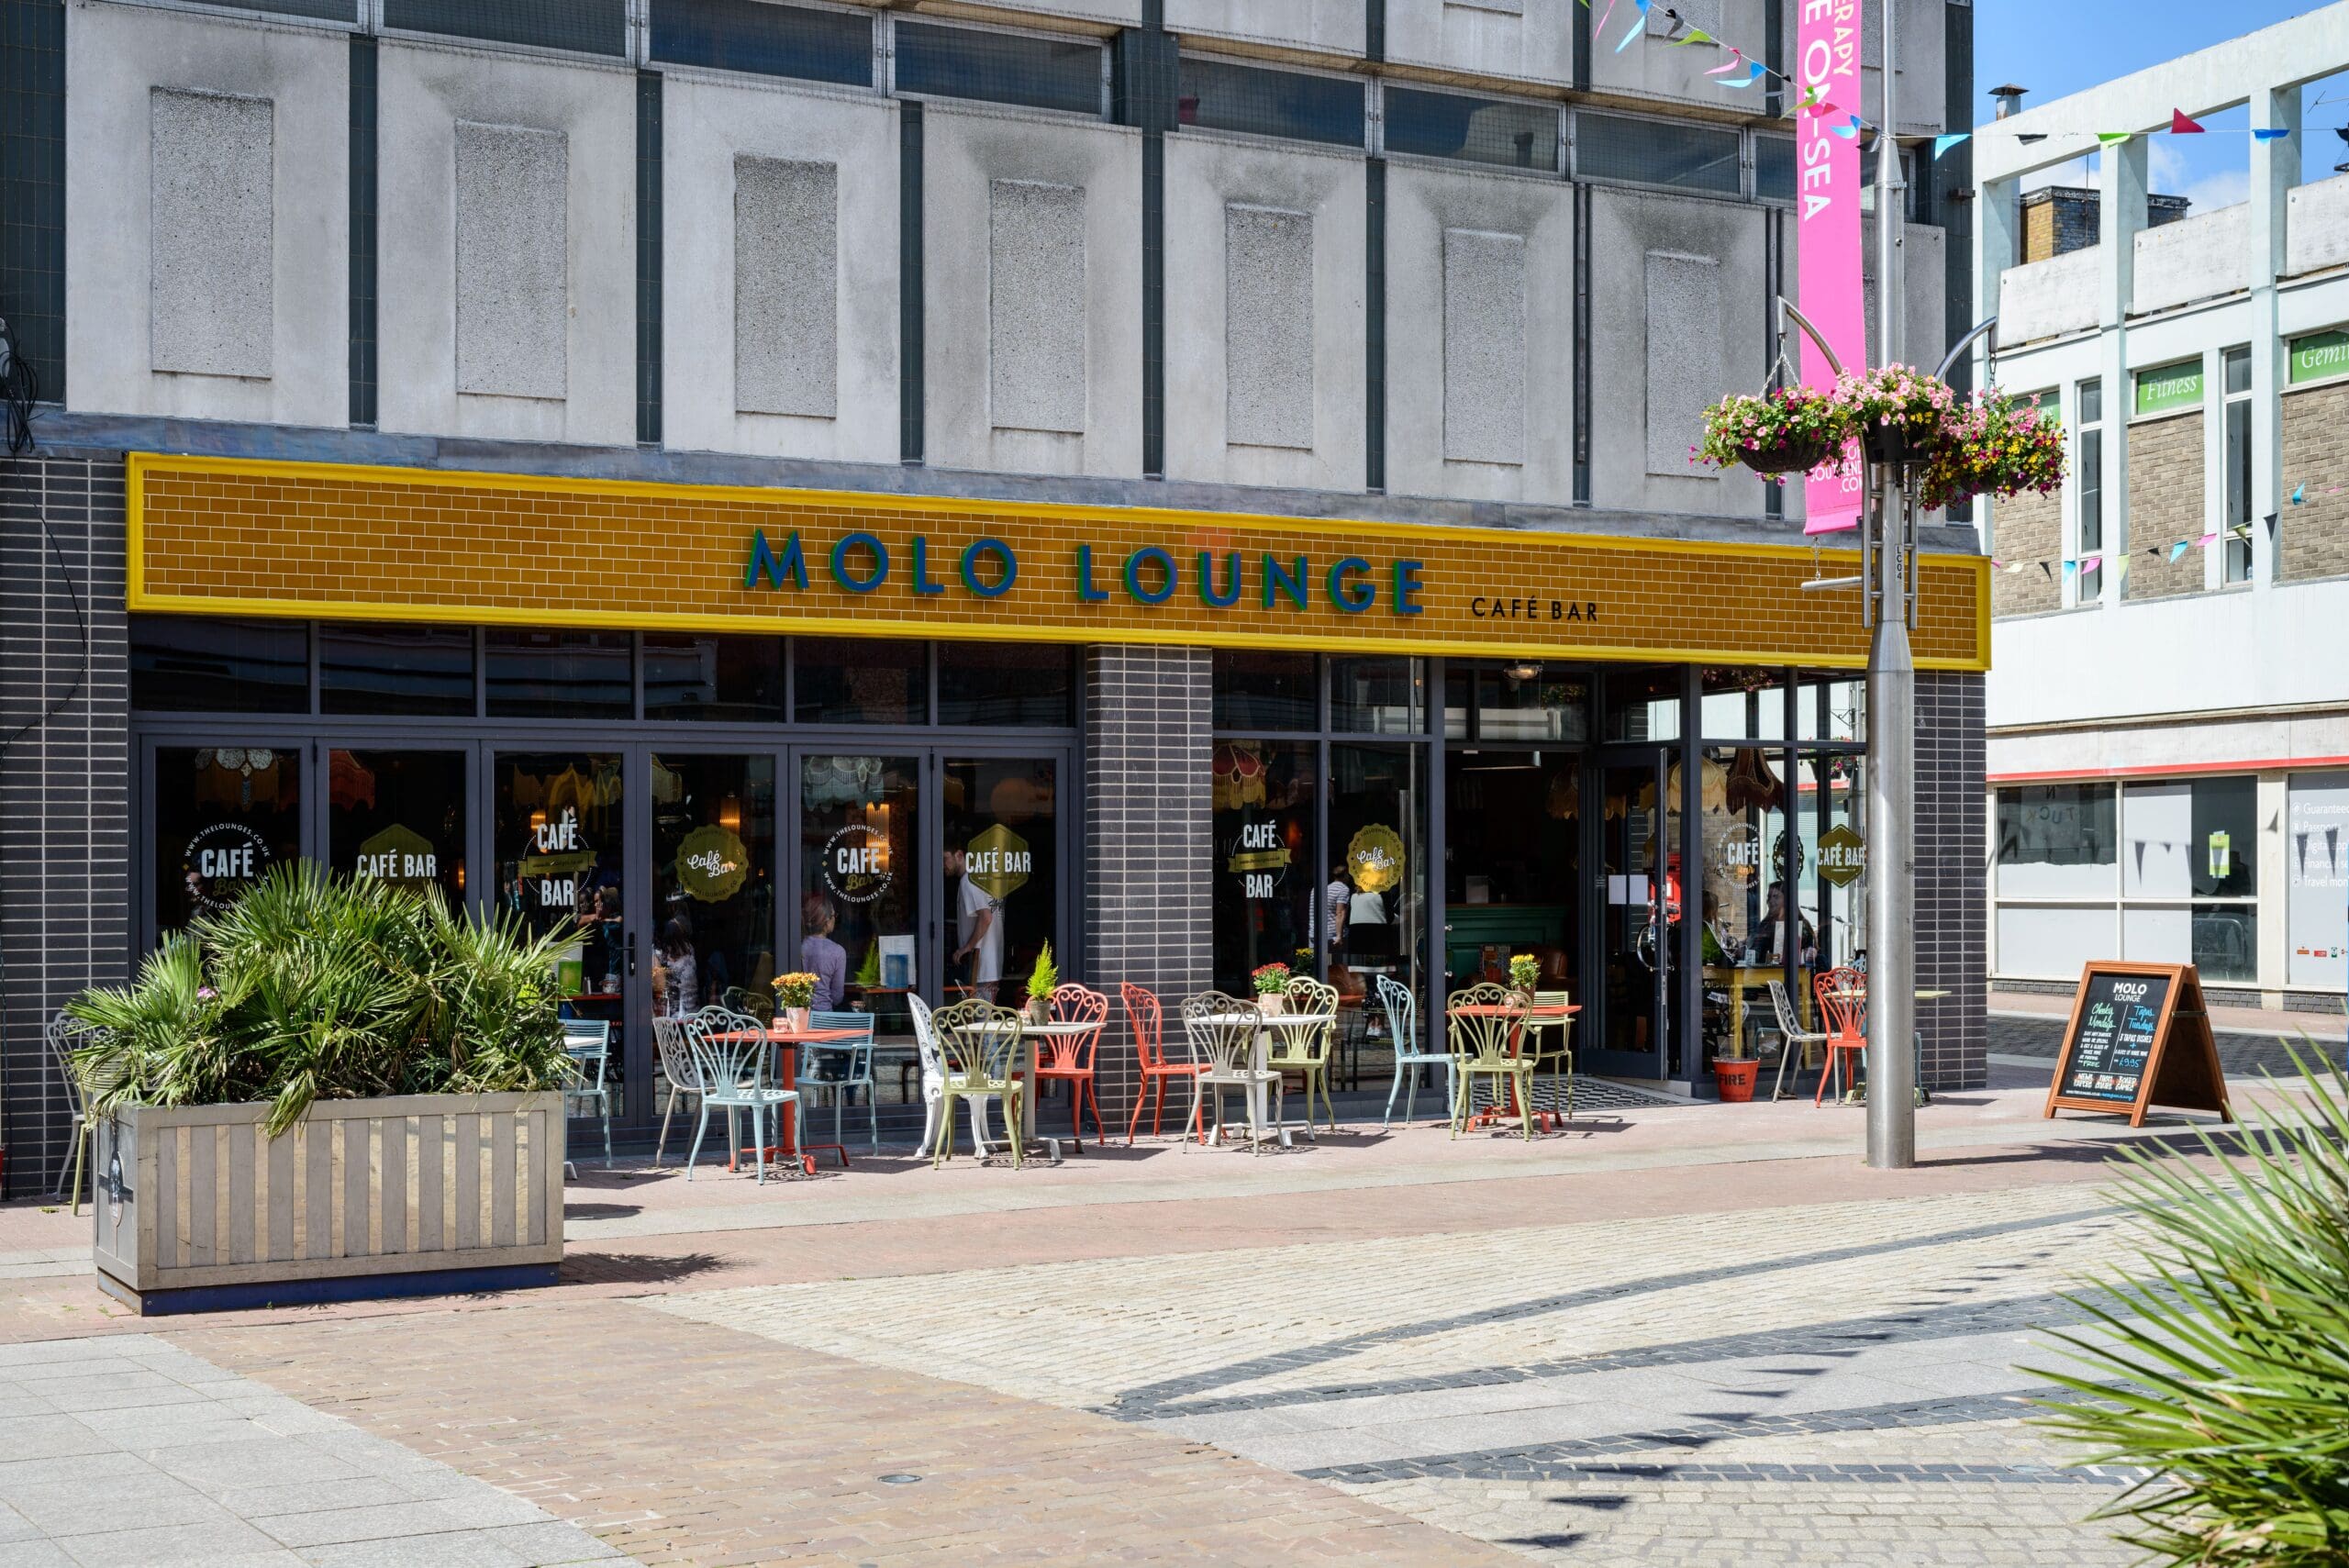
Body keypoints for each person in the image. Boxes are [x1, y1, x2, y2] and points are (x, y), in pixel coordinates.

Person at [948, 848, 1004, 1002]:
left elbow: (986, 917)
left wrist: (967, 947)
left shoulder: (969, 881)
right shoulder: (985, 879)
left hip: (981, 967)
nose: (942, 865)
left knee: (981, 1023)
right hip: (991, 964)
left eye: (945, 858)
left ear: (959, 855)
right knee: (987, 1019)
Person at [801, 893, 850, 1013]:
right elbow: (837, 997)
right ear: (827, 921)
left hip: (798, 1015)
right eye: (834, 915)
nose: (835, 918)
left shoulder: (799, 946)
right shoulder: (837, 952)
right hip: (824, 1017)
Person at [1753, 883, 1817, 969]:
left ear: (1787, 899)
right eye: (1769, 897)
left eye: (1775, 897)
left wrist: (1812, 952)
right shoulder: (1765, 925)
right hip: (1767, 975)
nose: (1770, 901)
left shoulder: (1802, 925)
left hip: (1797, 978)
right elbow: (1757, 955)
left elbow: (1811, 952)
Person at [655, 917, 697, 1016]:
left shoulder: (665, 955)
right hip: (694, 1008)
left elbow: (659, 985)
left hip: (678, 1011)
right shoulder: (690, 949)